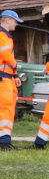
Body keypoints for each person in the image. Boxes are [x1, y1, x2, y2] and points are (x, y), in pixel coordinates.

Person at [0, 9, 19, 149]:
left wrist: (15, 74)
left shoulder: (7, 37)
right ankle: (3, 142)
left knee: (9, 109)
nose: (16, 24)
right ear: (6, 20)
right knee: (5, 108)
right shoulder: (1, 36)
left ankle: (5, 140)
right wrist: (15, 65)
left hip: (8, 77)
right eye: (15, 21)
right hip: (3, 78)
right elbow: (6, 56)